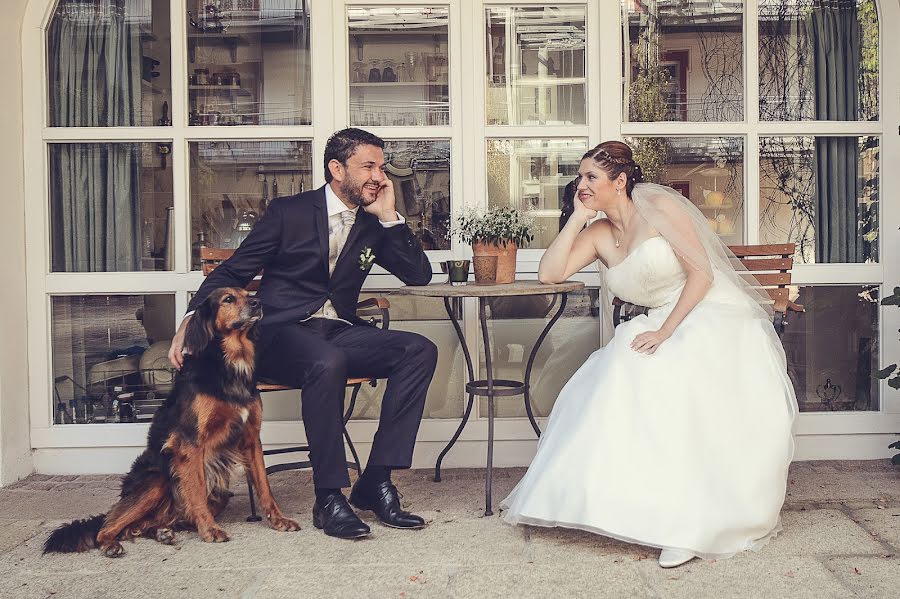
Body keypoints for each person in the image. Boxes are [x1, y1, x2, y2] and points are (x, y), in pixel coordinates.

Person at [500, 141, 797, 568]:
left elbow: (702, 275)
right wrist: (579, 219)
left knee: (667, 370)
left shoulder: (659, 210)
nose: (580, 185)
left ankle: (690, 523)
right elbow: (550, 273)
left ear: (619, 181)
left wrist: (665, 331)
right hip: (655, 321)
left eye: (591, 178)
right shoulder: (599, 232)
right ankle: (624, 501)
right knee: (619, 367)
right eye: (579, 178)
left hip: (705, 312)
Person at [168, 128, 438, 540]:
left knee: (418, 349)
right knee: (326, 361)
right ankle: (329, 498)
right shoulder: (288, 212)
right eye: (368, 166)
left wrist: (389, 218)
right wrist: (190, 319)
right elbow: (233, 271)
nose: (379, 176)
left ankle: (377, 480)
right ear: (336, 168)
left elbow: (419, 276)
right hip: (280, 334)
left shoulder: (371, 223)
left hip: (339, 331)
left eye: (381, 167)